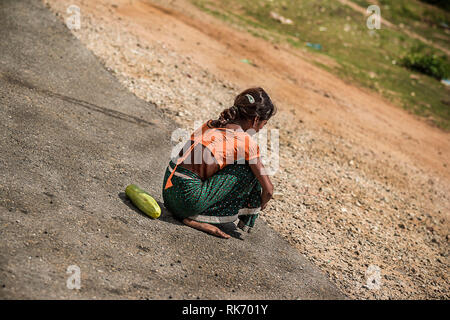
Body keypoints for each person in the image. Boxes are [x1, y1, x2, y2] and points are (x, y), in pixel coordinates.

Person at [162, 87, 276, 239]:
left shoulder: (211, 124)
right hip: (186, 201)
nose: (262, 129)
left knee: (236, 162)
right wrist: (256, 206)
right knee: (250, 171)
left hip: (168, 193)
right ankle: (195, 217)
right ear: (256, 120)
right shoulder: (246, 142)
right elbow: (268, 190)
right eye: (264, 124)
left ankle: (188, 212)